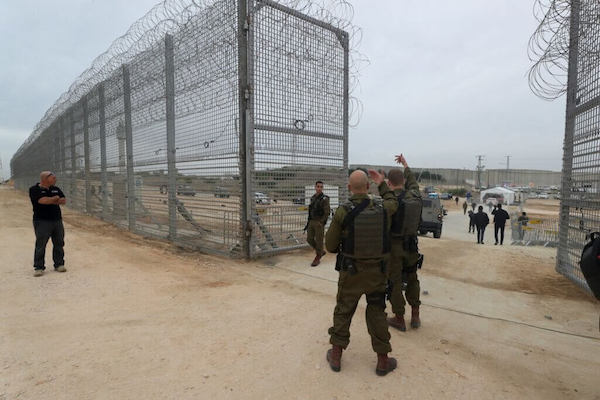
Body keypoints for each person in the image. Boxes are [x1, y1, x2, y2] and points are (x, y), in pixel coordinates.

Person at [325, 169, 398, 376]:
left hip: (351, 273)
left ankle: (336, 355)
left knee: (344, 310)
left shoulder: (343, 211)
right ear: (368, 187)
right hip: (377, 274)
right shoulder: (384, 210)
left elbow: (330, 246)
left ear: (349, 188)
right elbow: (393, 201)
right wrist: (382, 184)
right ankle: (383, 360)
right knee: (376, 312)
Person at [386, 154, 423, 332]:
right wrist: (405, 164)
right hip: (412, 245)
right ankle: (415, 314)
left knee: (395, 282)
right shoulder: (415, 195)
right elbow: (413, 180)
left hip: (395, 247)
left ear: (390, 183)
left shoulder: (392, 200)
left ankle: (399, 317)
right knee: (412, 278)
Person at [29, 171, 67, 277]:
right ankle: (39, 267)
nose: (55, 178)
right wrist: (54, 199)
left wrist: (51, 200)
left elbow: (63, 200)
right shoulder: (34, 189)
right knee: (41, 244)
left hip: (57, 220)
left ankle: (59, 264)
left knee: (59, 243)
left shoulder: (56, 188)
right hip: (42, 221)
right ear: (45, 178)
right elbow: (42, 201)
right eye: (52, 177)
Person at [305, 181, 330, 266]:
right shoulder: (313, 198)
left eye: (321, 187)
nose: (319, 188)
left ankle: (318, 257)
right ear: (315, 187)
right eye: (318, 186)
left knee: (319, 241)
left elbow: (327, 212)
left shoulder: (325, 199)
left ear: (322, 188)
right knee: (309, 239)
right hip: (311, 221)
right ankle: (320, 251)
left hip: (319, 222)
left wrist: (322, 222)